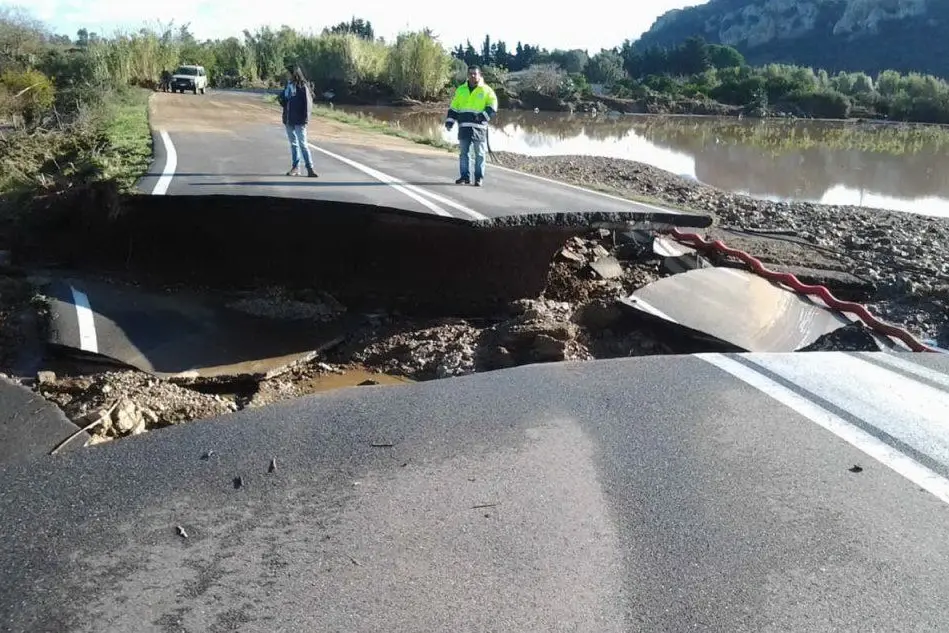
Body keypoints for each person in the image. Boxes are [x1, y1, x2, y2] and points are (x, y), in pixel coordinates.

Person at [445, 65, 498, 187]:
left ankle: (478, 178)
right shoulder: (460, 90)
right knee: (464, 153)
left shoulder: (487, 90)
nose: (473, 76)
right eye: (470, 74)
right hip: (464, 127)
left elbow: (493, 107)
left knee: (479, 154)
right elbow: (454, 107)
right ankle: (465, 177)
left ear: (480, 75)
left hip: (479, 128)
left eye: (475, 73)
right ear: (468, 75)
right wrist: (449, 122)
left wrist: (481, 117)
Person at [277, 65, 318, 177]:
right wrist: (282, 98)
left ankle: (310, 168)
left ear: (294, 74)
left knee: (303, 144)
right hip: (289, 119)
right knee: (294, 144)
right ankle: (295, 168)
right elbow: (284, 101)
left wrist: (305, 119)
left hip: (300, 120)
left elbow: (307, 105)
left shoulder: (302, 87)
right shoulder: (288, 86)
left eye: (288, 73)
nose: (287, 75)